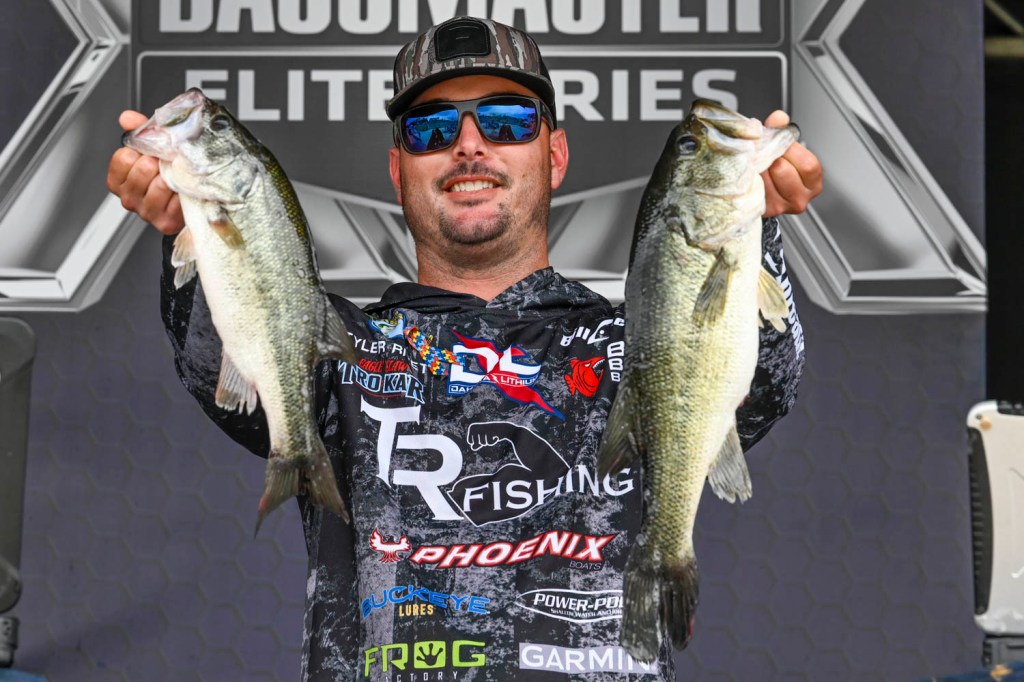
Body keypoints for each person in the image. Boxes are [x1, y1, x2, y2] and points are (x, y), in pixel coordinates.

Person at [107, 17, 821, 682]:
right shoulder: (338, 350)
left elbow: (766, 387)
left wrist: (757, 228)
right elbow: (221, 368)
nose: (470, 145)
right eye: (432, 128)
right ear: (398, 169)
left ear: (555, 154)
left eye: (507, 121)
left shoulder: (637, 343)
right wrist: (190, 234)